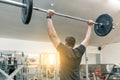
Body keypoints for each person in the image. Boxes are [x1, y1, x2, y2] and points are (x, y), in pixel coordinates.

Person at [46, 9, 94, 80]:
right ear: (73, 44)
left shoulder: (63, 50)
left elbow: (52, 35)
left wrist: (49, 17)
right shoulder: (79, 51)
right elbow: (87, 39)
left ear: (65, 43)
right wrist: (90, 26)